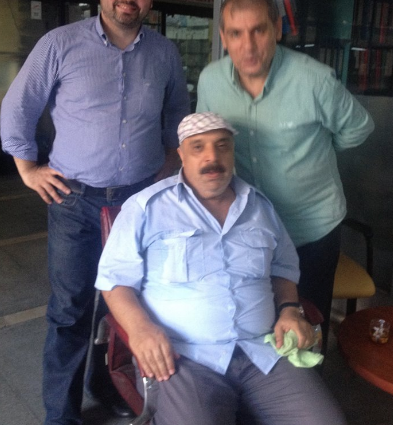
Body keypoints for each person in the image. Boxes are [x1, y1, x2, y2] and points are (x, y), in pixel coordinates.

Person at [0, 0, 189, 425]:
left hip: (139, 204)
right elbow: (18, 107)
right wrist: (28, 169)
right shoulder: (60, 44)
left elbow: (176, 117)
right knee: (71, 311)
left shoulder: (164, 53)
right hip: (74, 202)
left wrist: (169, 165)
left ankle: (108, 385)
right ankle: (60, 416)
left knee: (127, 305)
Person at [95, 112, 347, 425]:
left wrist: (289, 310)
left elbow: (283, 267)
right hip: (183, 357)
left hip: (262, 350)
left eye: (222, 146)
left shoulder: (260, 206)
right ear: (181, 154)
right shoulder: (146, 207)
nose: (212, 157)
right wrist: (140, 329)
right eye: (198, 147)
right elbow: (114, 281)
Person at [196, 0, 374, 352]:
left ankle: (309, 378)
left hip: (311, 229)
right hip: (250, 228)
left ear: (277, 28)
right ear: (223, 37)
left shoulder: (315, 80)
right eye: (236, 33)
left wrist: (319, 150)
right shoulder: (211, 81)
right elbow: (206, 138)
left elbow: (359, 127)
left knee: (308, 325)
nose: (248, 45)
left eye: (258, 30)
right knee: (257, 319)